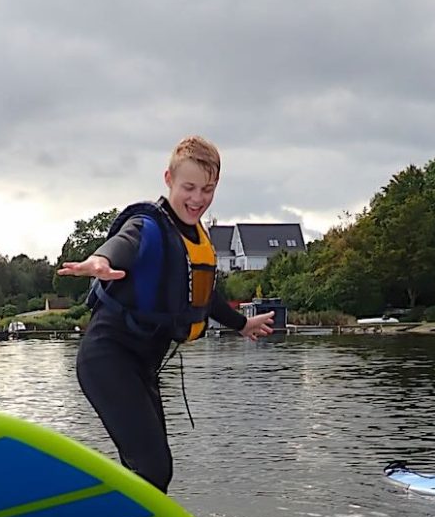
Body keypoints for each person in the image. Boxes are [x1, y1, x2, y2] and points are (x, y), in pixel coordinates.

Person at [58, 136, 274, 492]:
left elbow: (205, 298)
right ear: (168, 179)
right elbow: (124, 244)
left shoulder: (194, 240)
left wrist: (242, 324)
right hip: (107, 359)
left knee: (156, 472)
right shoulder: (149, 225)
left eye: (208, 189)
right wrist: (101, 261)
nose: (198, 199)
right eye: (189, 187)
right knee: (152, 468)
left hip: (142, 365)